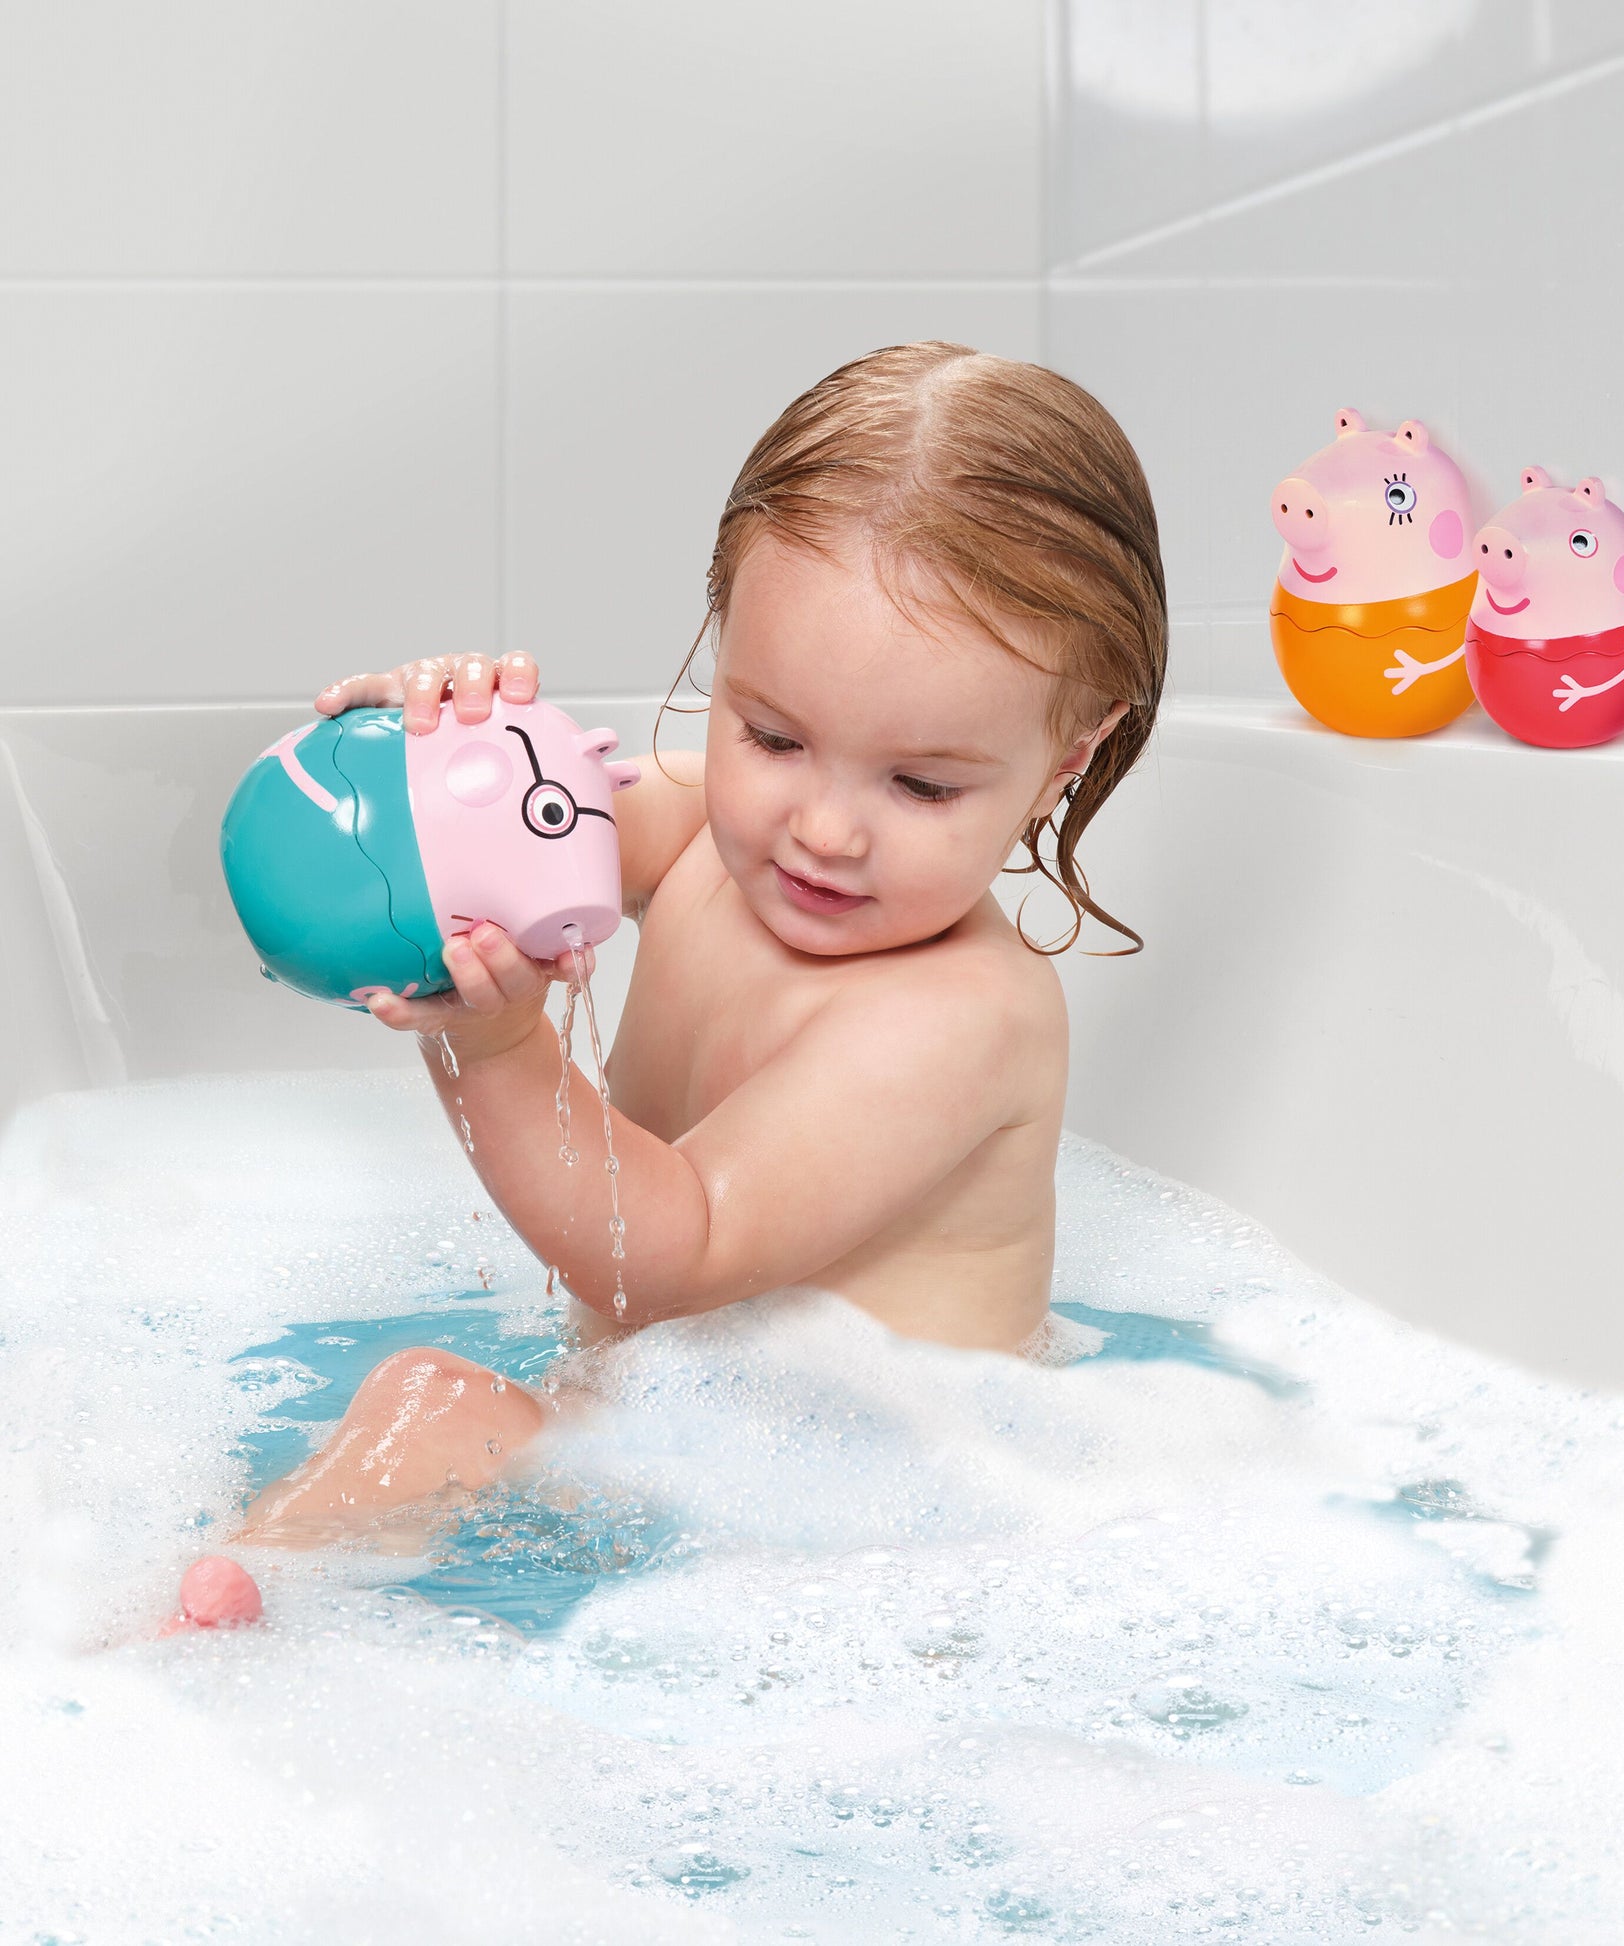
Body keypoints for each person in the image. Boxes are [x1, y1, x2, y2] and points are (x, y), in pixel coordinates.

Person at [233, 342, 1167, 1548]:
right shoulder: (705, 837)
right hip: (682, 1463)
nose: (821, 829)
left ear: (1065, 759)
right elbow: (537, 834)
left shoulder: (958, 1016)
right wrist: (442, 760)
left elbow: (670, 1249)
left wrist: (501, 1047)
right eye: (772, 736)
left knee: (434, 1407)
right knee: (428, 1410)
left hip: (864, 1529)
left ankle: (215, 1613)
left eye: (921, 784)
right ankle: (215, 1612)